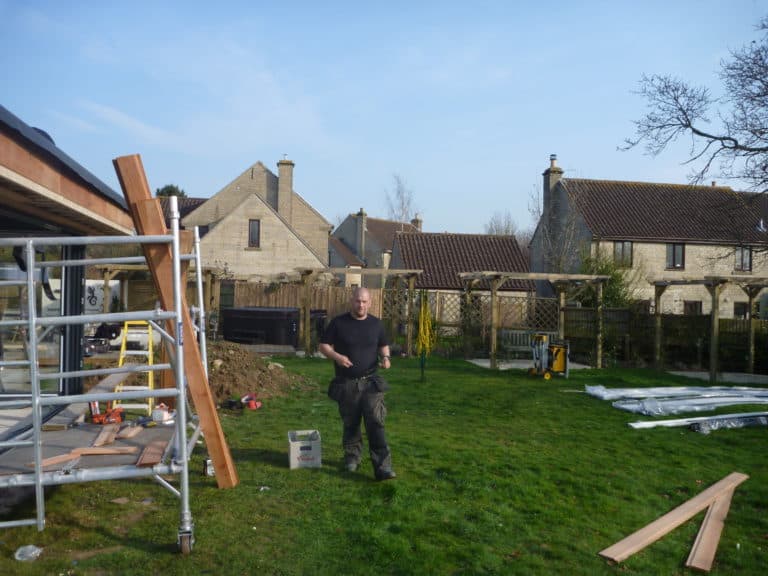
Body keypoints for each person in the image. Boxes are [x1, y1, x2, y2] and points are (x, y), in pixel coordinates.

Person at [319, 287, 396, 481]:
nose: (360, 305)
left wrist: (386, 358)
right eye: (357, 301)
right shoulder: (338, 323)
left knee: (376, 422)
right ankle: (352, 458)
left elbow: (383, 345)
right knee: (351, 422)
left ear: (370, 303)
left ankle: (383, 467)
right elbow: (323, 346)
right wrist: (337, 357)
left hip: (371, 382)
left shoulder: (376, 324)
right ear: (351, 301)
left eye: (364, 301)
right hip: (347, 383)